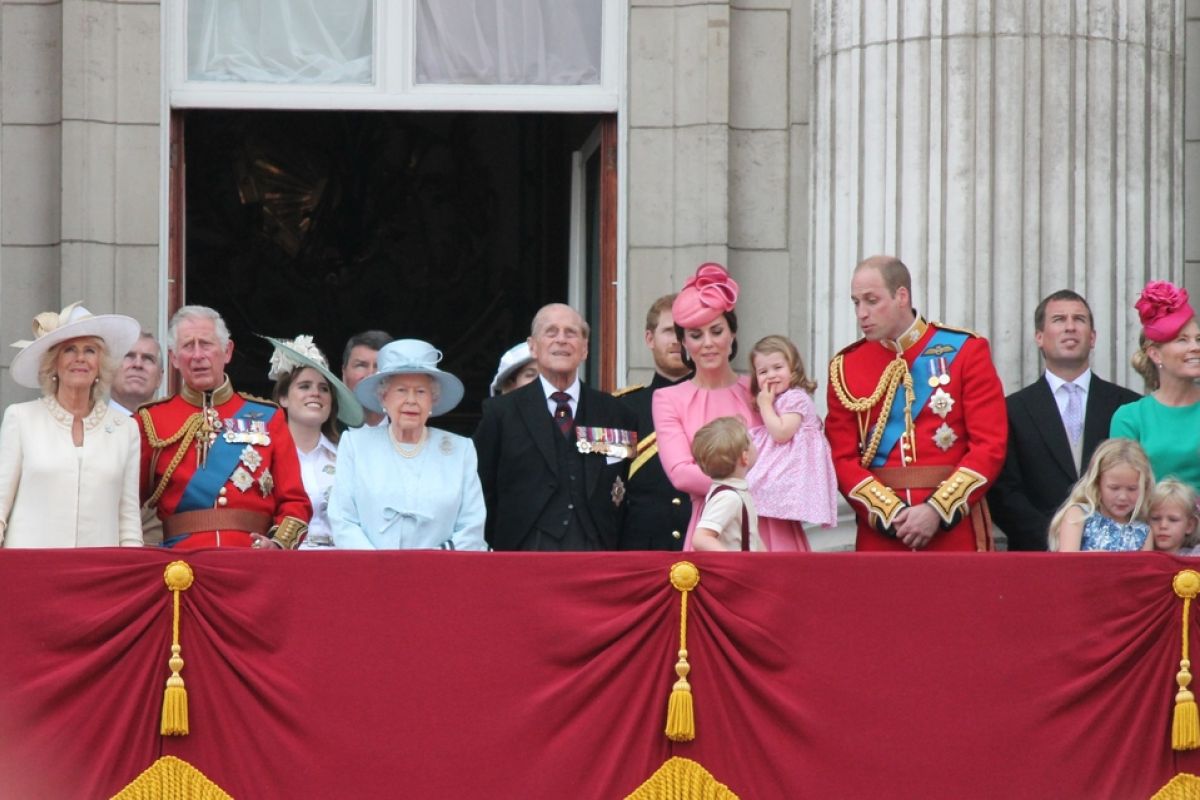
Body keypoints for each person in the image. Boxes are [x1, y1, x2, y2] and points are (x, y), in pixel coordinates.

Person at [825, 255, 1007, 551]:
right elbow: (841, 459)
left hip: (952, 529)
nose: (861, 313)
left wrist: (937, 510)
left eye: (871, 300)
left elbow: (990, 445)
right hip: (883, 533)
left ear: (901, 296)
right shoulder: (846, 367)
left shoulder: (965, 351)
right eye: (856, 303)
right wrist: (890, 514)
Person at [653, 263, 809, 551]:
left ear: (732, 334)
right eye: (696, 335)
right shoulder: (668, 399)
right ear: (684, 342)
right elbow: (681, 473)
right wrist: (751, 487)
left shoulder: (762, 388)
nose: (708, 343)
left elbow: (800, 444)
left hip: (774, 525)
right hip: (713, 527)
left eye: (716, 330)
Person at [137, 305, 311, 549]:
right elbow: (127, 502)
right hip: (181, 564)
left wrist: (278, 544)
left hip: (252, 559)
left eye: (206, 344)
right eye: (188, 346)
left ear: (227, 351)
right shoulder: (151, 420)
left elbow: (295, 501)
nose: (198, 355)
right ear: (174, 358)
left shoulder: (268, 417)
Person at [474, 303, 637, 551]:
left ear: (584, 349)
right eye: (551, 332)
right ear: (533, 346)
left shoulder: (616, 413)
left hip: (597, 551)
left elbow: (624, 482)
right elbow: (482, 490)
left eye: (571, 333)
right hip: (523, 552)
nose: (561, 340)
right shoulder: (501, 413)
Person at [988, 290, 1140, 551]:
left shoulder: (1128, 406)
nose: (1070, 327)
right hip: (1036, 556)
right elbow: (1003, 492)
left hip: (1115, 556)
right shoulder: (1010, 409)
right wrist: (1058, 538)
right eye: (1059, 319)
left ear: (1092, 337)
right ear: (1039, 337)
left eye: (1079, 319)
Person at [0, 302, 142, 547]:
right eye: (69, 350)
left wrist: (132, 570)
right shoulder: (21, 419)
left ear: (100, 363)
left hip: (99, 572)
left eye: (90, 350)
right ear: (54, 362)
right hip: (32, 570)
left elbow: (128, 518)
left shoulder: (125, 429)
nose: (80, 358)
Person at [329, 339, 485, 550]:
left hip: (441, 573)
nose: (411, 400)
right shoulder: (356, 445)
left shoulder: (460, 449)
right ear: (384, 398)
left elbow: (472, 526)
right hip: (371, 574)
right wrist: (379, 566)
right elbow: (342, 519)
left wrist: (431, 562)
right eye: (401, 390)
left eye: (421, 392)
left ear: (433, 400)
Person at [265, 335, 364, 549]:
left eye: (323, 388)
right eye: (304, 386)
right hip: (283, 564)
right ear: (283, 398)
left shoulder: (348, 456)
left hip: (341, 564)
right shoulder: (263, 455)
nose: (315, 393)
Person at [614, 294, 693, 550]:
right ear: (650, 338)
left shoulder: (717, 404)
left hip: (704, 548)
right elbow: (601, 482)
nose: (677, 341)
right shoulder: (619, 408)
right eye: (669, 331)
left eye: (686, 332)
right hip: (640, 553)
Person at [1111, 281, 1200, 492]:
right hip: (1150, 522)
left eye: (1198, 339)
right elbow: (1121, 493)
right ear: (1155, 354)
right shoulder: (1130, 418)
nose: (1195, 347)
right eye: (1182, 340)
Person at [746, 334, 838, 529]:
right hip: (784, 458)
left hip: (794, 463)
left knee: (758, 484)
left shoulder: (795, 397)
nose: (771, 375)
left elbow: (781, 433)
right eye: (763, 371)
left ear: (793, 368)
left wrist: (765, 405)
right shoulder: (781, 398)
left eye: (778, 368)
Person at [1048, 438, 1153, 552]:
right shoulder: (1079, 515)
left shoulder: (1143, 532)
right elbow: (1067, 561)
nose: (1123, 497)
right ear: (1097, 483)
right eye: (1114, 488)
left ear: (1145, 487)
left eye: (1132, 489)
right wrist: (1099, 559)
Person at [691, 416, 762, 552]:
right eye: (751, 441)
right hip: (736, 571)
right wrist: (732, 561)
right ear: (744, 457)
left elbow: (753, 539)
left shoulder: (737, 491)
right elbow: (701, 538)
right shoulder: (729, 497)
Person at [341, 330, 392, 427]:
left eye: (379, 366)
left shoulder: (412, 433)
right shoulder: (324, 432)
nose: (371, 375)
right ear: (344, 374)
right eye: (361, 365)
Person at [109, 332, 164, 415]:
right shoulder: (85, 425)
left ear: (159, 378)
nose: (138, 364)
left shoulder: (173, 427)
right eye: (129, 356)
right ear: (109, 371)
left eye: (148, 359)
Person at [1148, 478, 1200, 555]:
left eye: (1173, 520)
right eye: (1156, 519)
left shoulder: (1196, 556)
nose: (1163, 526)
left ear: (1190, 525)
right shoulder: (1134, 552)